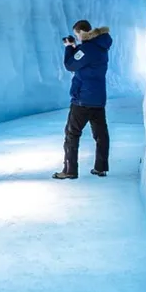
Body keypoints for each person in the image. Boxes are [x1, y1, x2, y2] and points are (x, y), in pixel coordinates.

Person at [53, 20, 112, 179]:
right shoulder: (101, 47)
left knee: (72, 134)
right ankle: (101, 168)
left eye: (76, 35)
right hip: (98, 100)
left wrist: (68, 48)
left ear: (80, 32)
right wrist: (75, 48)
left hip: (82, 99)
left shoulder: (87, 49)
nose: (76, 38)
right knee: (101, 135)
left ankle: (69, 170)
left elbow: (71, 65)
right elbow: (84, 61)